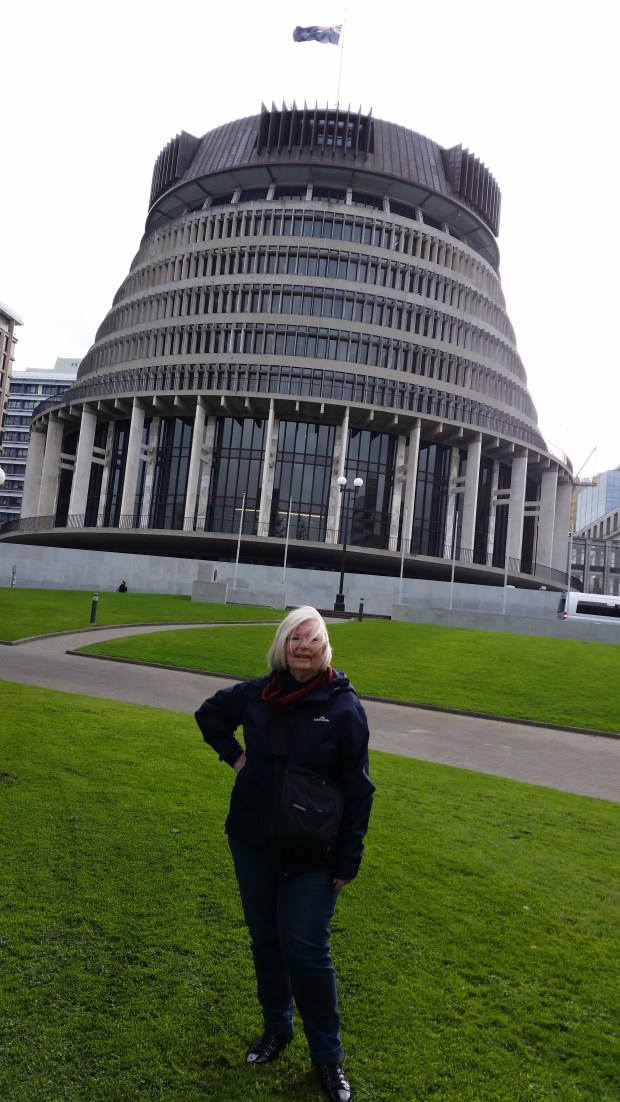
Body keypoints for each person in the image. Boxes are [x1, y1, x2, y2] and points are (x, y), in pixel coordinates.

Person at [195, 606, 374, 1102]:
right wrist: (235, 757)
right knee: (266, 943)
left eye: (311, 640)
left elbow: (359, 789)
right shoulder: (258, 693)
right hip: (253, 840)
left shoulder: (342, 708)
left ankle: (328, 1059)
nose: (302, 647)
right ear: (282, 645)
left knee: (308, 951)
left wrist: (347, 859)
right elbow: (209, 715)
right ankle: (277, 1029)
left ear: (325, 649)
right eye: (294, 638)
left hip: (313, 855)